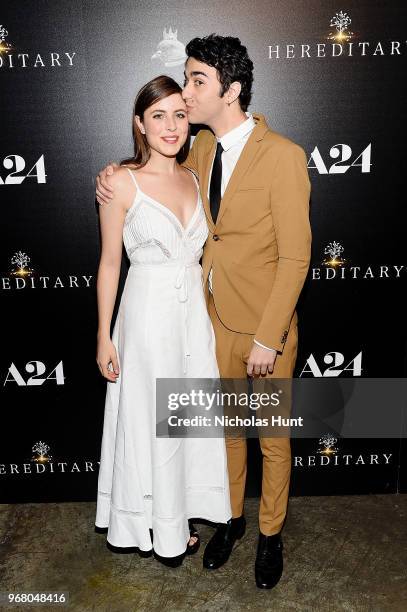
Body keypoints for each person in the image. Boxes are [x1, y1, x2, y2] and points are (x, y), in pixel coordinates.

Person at [96, 34, 311, 589]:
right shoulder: (203, 150)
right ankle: (231, 520)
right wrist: (112, 172)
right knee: (227, 435)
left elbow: (296, 256)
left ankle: (270, 535)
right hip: (208, 322)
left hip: (266, 330)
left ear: (231, 89)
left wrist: (270, 337)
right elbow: (151, 170)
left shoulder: (283, 155)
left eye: (196, 81)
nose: (186, 95)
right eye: (185, 79)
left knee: (273, 437)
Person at [94, 74, 232, 568]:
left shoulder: (196, 176)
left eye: (179, 114)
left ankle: (177, 520)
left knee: (183, 423)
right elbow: (110, 262)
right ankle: (151, 523)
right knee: (147, 422)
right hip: (147, 319)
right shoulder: (119, 182)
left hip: (192, 318)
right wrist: (104, 336)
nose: (171, 126)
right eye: (158, 115)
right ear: (140, 123)